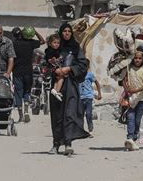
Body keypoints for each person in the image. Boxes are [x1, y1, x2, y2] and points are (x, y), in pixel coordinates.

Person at [48, 23, 90, 156]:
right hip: (57, 86)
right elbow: (46, 63)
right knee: (57, 115)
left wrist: (70, 69)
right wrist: (55, 71)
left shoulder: (76, 48)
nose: (67, 33)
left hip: (71, 85)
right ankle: (56, 144)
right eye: (64, 31)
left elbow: (83, 65)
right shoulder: (55, 47)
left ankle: (68, 143)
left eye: (69, 31)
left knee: (70, 114)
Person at [12, 26, 45, 123]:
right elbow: (43, 41)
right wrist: (35, 32)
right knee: (27, 91)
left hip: (17, 71)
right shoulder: (30, 43)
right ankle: (26, 110)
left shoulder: (13, 44)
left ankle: (21, 115)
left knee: (18, 93)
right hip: (28, 72)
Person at [123, 51, 143, 151]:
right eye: (136, 58)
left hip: (141, 99)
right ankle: (130, 137)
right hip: (131, 98)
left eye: (140, 58)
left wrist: (135, 90)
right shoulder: (129, 69)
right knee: (130, 118)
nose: (137, 60)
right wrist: (127, 89)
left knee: (137, 120)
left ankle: (134, 138)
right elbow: (124, 80)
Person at [78, 59, 102, 133]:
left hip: (88, 97)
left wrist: (99, 93)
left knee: (88, 114)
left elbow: (97, 83)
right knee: (80, 115)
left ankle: (90, 130)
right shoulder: (78, 74)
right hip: (80, 98)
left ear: (88, 66)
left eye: (85, 66)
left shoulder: (90, 74)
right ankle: (80, 130)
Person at [44, 34, 64, 102]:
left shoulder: (56, 50)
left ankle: (54, 90)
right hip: (52, 69)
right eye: (54, 42)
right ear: (50, 43)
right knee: (61, 78)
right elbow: (49, 59)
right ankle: (57, 91)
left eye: (58, 43)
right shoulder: (50, 51)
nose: (56, 44)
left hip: (53, 69)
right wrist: (54, 59)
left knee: (57, 79)